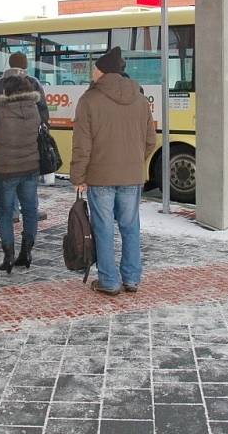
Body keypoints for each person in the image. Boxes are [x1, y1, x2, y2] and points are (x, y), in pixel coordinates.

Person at [70, 46, 155, 295]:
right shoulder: (140, 99)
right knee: (130, 227)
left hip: (100, 177)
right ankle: (131, 278)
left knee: (103, 228)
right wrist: (134, 161)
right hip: (132, 176)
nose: (92, 72)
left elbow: (82, 144)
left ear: (103, 71)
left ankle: (109, 281)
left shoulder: (89, 100)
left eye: (95, 68)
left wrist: (78, 176)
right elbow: (151, 140)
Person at [0, 75, 40, 273]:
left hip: (6, 170)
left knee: (5, 213)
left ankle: (8, 256)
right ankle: (27, 253)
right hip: (31, 167)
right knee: (30, 210)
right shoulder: (34, 108)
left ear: (7, 91)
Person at [0, 52, 50, 224]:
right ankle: (30, 209)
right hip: (29, 138)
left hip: (5, 139)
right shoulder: (33, 82)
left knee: (9, 173)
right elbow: (42, 108)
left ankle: (13, 212)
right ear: (25, 65)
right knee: (29, 172)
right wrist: (43, 126)